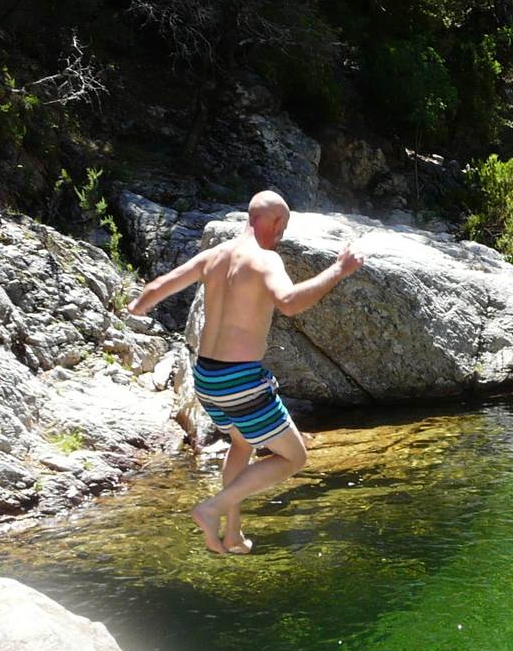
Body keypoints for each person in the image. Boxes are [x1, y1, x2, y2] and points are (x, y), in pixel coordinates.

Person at [127, 191, 363, 554]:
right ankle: (212, 509)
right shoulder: (266, 261)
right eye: (282, 229)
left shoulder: (213, 256)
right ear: (277, 224)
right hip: (240, 381)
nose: (281, 235)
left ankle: (233, 532)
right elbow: (290, 303)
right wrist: (339, 269)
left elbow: (156, 288)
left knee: (242, 442)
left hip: (206, 378)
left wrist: (135, 309)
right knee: (293, 458)